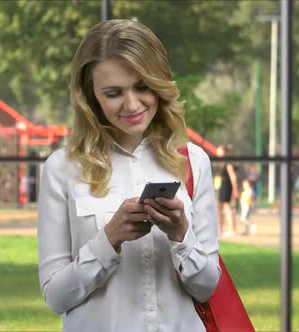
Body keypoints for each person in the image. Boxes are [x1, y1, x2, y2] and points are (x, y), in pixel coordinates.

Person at [37, 19, 220, 332]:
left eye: (142, 86)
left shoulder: (193, 161)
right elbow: (56, 296)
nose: (132, 104)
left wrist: (181, 234)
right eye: (113, 93)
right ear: (90, 96)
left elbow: (206, 287)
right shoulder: (62, 168)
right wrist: (109, 240)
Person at [216, 145, 238, 237]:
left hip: (226, 186)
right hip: (220, 186)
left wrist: (235, 189)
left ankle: (232, 230)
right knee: (219, 208)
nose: (217, 153)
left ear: (224, 152)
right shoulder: (220, 163)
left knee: (227, 207)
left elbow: (233, 176)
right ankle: (220, 230)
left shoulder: (228, 163)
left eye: (219, 151)